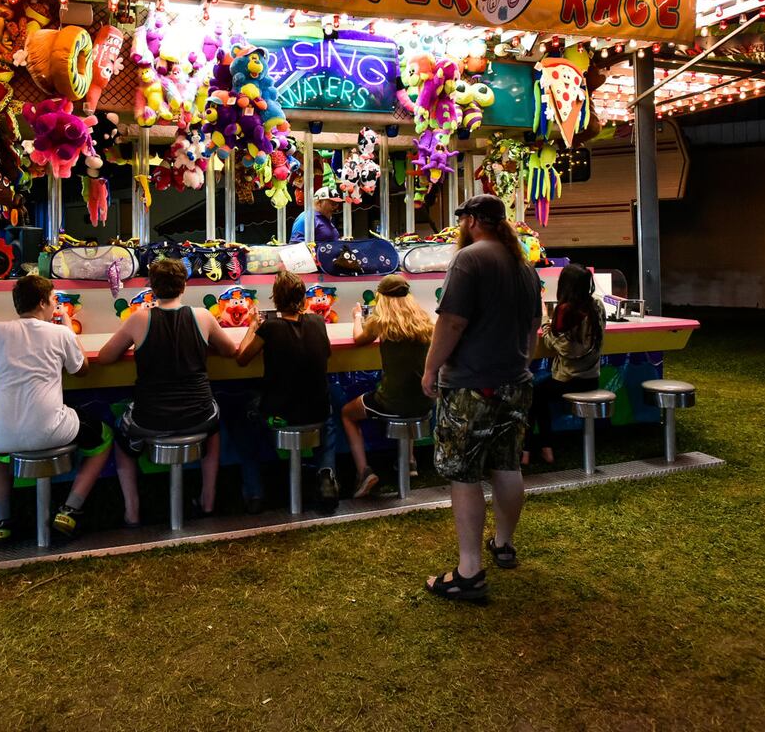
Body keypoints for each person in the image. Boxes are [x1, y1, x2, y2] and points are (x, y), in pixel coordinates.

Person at [420, 194, 543, 602]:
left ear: (472, 221)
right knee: (507, 465)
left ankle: (469, 571)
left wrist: (430, 367)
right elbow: (533, 330)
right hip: (515, 382)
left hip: (473, 384)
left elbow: (452, 321)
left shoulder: (469, 259)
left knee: (465, 472)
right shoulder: (523, 266)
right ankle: (503, 544)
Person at [0, 273, 113, 547]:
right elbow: (81, 370)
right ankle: (71, 509)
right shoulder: (60, 333)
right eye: (52, 300)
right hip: (53, 430)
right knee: (104, 437)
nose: (54, 305)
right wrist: (70, 330)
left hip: (2, 435)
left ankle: (0, 523)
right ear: (41, 303)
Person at [94, 257, 237, 524]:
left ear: (152, 288)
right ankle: (208, 499)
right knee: (214, 428)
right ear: (183, 286)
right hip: (199, 416)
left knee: (122, 441)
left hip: (150, 417)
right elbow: (230, 350)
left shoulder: (139, 319)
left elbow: (105, 357)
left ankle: (132, 511)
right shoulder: (203, 317)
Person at [232, 270, 339, 512]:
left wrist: (252, 327)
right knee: (328, 418)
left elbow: (241, 359)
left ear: (276, 299)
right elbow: (328, 353)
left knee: (242, 414)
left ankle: (254, 491)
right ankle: (326, 474)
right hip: (316, 415)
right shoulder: (318, 322)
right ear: (303, 298)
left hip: (277, 418)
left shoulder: (269, 328)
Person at [342, 274, 434, 498]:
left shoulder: (380, 322)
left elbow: (358, 339)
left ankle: (364, 472)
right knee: (408, 387)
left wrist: (356, 317)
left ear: (381, 297)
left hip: (392, 402)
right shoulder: (424, 320)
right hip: (425, 400)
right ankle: (410, 461)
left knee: (347, 413)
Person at [526, 263, 607, 464]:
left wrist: (545, 322)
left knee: (534, 393)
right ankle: (542, 449)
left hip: (570, 379)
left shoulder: (567, 311)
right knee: (539, 394)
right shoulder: (597, 306)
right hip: (592, 379)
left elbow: (561, 347)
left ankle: (532, 449)